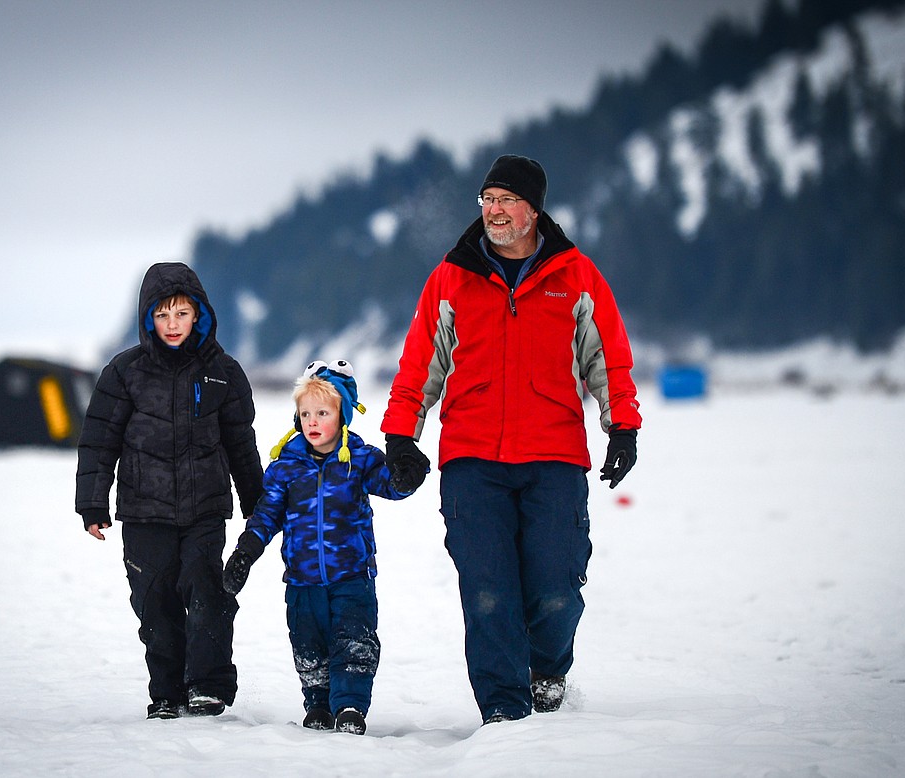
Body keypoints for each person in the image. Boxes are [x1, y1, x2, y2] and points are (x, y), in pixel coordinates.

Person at [381, 154, 642, 725]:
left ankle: (545, 672)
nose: (494, 212)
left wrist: (622, 425)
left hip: (554, 457)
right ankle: (504, 710)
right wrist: (402, 435)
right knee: (488, 591)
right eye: (487, 200)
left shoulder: (576, 277)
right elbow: (419, 363)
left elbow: (609, 360)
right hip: (473, 461)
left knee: (556, 587)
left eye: (506, 201)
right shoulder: (452, 276)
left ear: (533, 209)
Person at [75, 261, 264, 720]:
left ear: (198, 314)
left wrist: (258, 503)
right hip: (144, 511)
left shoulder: (223, 372)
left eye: (181, 314)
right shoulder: (124, 374)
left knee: (207, 593)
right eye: (162, 316)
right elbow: (100, 440)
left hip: (204, 509)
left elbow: (241, 443)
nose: (172, 324)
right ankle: (167, 693)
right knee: (154, 604)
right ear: (147, 319)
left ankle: (207, 686)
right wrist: (93, 503)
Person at [222, 360, 416, 736]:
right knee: (308, 646)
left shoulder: (359, 459)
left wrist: (408, 471)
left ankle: (349, 708)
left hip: (351, 577)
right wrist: (245, 553)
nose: (312, 421)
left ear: (342, 414)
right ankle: (318, 704)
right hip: (303, 580)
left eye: (322, 413)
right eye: (305, 413)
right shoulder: (286, 466)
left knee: (354, 643)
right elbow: (266, 515)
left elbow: (392, 487)